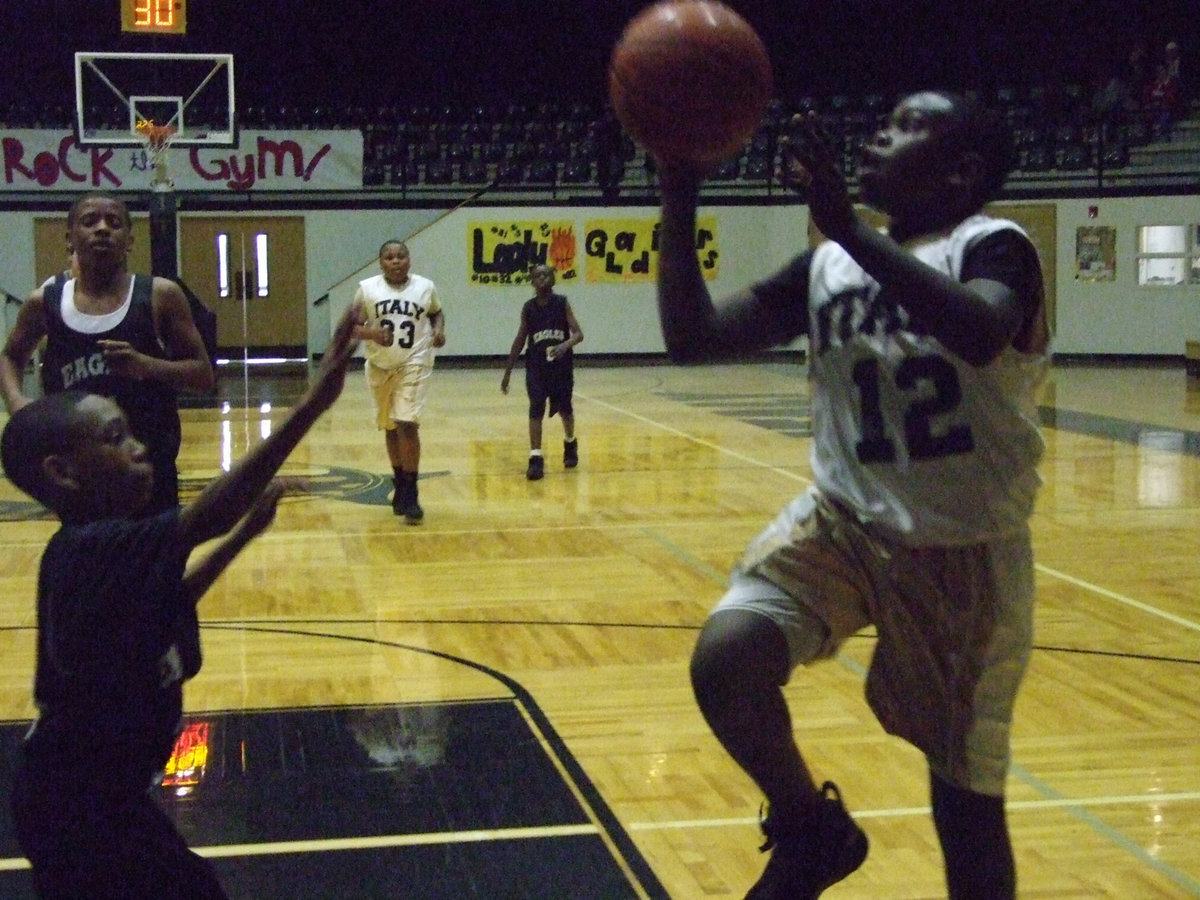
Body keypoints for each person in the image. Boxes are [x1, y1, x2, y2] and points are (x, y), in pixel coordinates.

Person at [654, 90, 1050, 899]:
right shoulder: (829, 263)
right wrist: (680, 188)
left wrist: (852, 231)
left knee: (965, 808)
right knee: (727, 659)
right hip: (843, 522)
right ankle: (810, 830)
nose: (875, 140)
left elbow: (979, 331)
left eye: (904, 129)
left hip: (963, 552)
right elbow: (692, 337)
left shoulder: (995, 247)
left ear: (959, 172)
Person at [1, 300, 361, 899]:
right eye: (116, 438)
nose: (138, 447)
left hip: (97, 800)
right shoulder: (86, 550)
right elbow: (204, 517)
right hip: (75, 810)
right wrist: (310, 406)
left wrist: (246, 535)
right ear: (63, 474)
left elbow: (174, 594)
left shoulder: (110, 554)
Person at [0, 192, 215, 515]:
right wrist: (17, 402)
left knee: (157, 563)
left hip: (150, 467)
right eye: (89, 221)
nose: (102, 229)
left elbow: (202, 376)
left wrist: (146, 365)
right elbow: (11, 356)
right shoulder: (44, 302)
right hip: (79, 475)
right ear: (69, 239)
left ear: (129, 240)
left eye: (114, 223)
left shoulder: (160, 296)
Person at [352, 239, 445, 523]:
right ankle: (400, 482)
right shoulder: (367, 289)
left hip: (413, 360)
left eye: (400, 256)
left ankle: (412, 490)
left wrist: (439, 331)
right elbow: (349, 328)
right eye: (389, 257)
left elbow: (436, 312)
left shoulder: (425, 287)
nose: (395, 261)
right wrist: (372, 335)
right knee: (390, 426)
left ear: (409, 260)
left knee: (407, 422)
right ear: (380, 262)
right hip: (380, 365)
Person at [500, 264, 584, 480]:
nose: (542, 278)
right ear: (532, 282)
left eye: (546, 274)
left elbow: (578, 334)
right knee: (536, 407)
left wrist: (565, 346)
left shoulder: (561, 303)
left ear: (553, 279)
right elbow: (520, 339)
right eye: (537, 276)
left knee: (565, 408)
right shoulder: (529, 308)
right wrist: (508, 370)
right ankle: (535, 458)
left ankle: (570, 442)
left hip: (561, 367)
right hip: (536, 366)